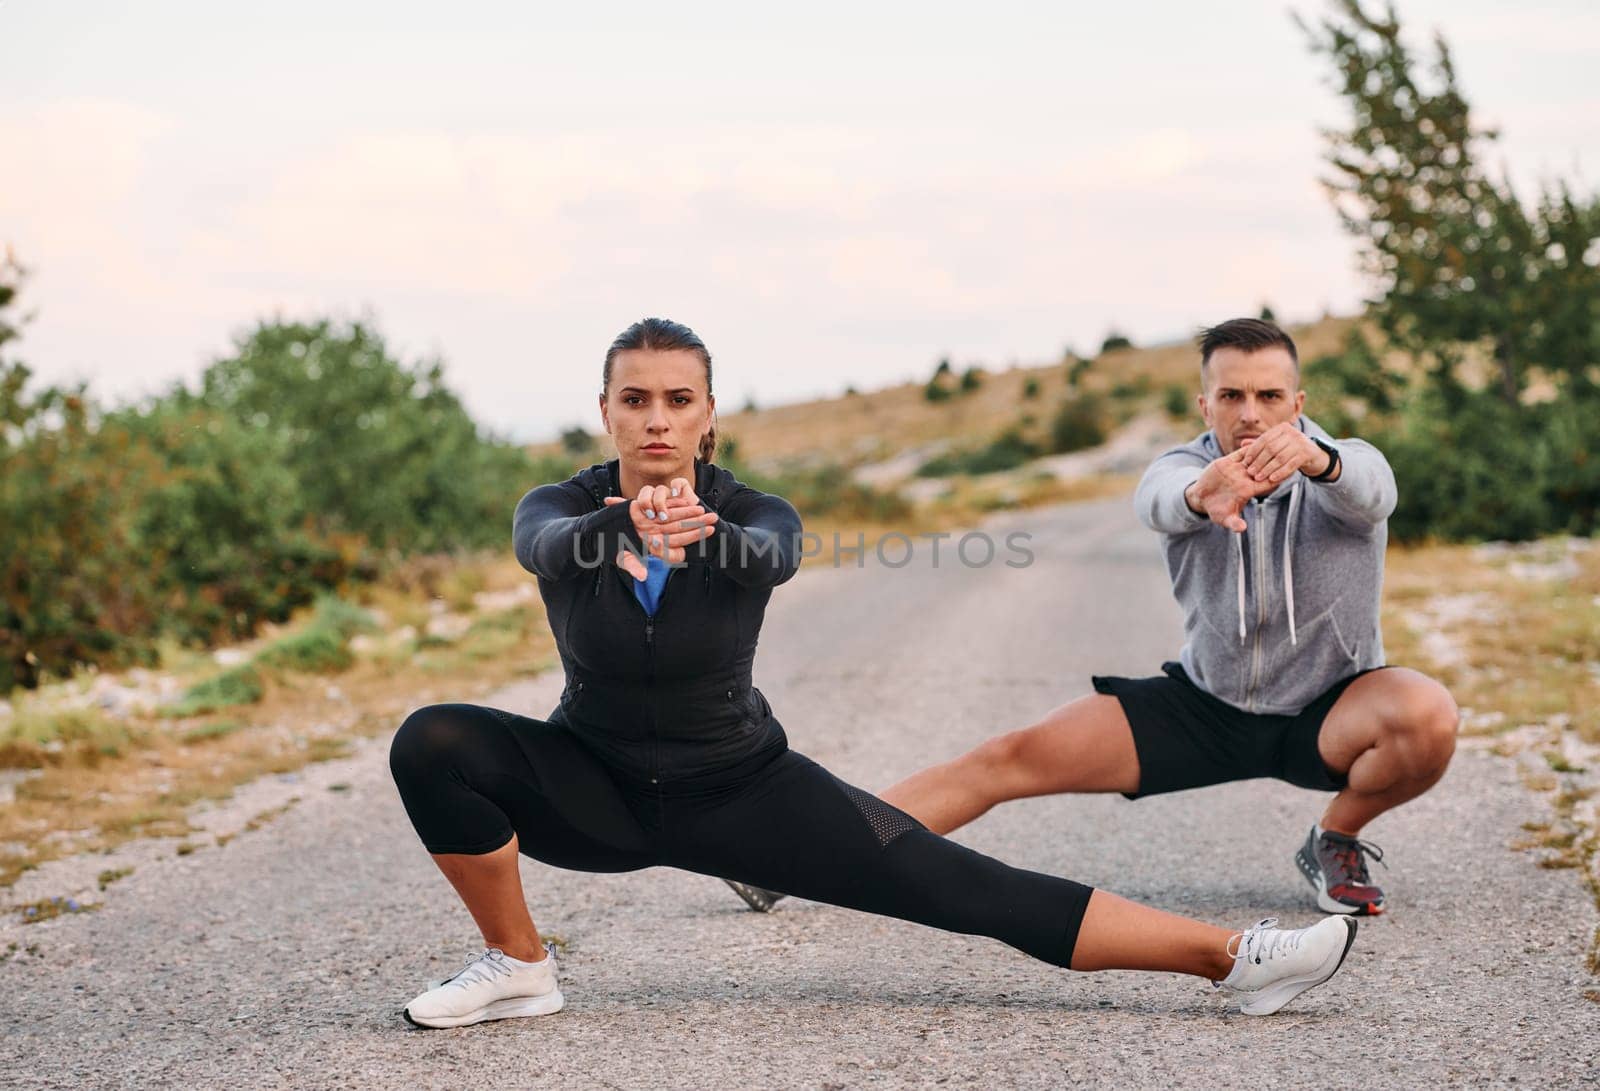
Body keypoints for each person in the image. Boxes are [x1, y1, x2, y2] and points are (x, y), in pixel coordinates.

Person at [388, 317, 1360, 1029]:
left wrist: (704, 536)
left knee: (970, 887)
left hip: (740, 792)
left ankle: (1238, 957)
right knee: (434, 738)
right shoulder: (560, 504)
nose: (655, 419)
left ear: (707, 413)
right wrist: (620, 524)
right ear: (603, 410)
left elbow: (771, 557)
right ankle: (519, 963)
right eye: (633, 399)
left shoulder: (754, 510)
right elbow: (543, 547)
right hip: (589, 788)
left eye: (676, 399)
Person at [725, 317, 1457, 920]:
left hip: (1331, 710)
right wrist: (1206, 495)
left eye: (1269, 395)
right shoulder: (1180, 467)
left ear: (1297, 402)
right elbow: (1159, 501)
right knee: (1004, 758)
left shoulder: (1344, 466)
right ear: (1205, 406)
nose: (1251, 414)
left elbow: (1373, 489)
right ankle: (797, 861)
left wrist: (1320, 463)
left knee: (1427, 713)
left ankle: (1336, 835)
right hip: (1206, 708)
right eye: (1231, 395)